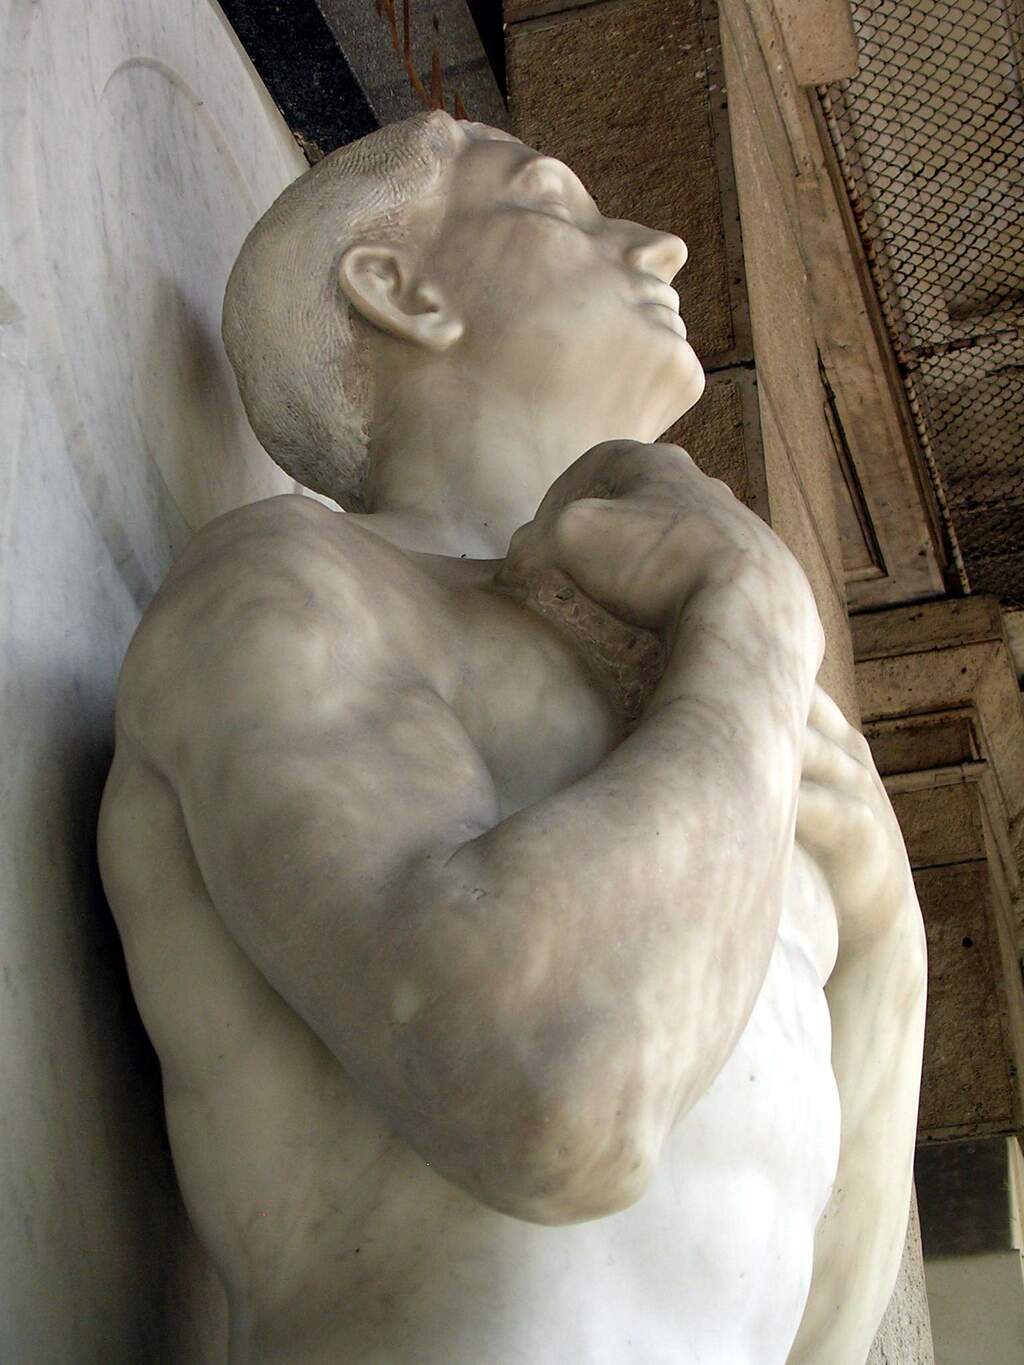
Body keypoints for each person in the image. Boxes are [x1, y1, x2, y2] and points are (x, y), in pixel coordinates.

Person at [99, 112, 926, 1364]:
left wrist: (888, 947)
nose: (658, 245)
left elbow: (813, 1320)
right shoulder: (291, 586)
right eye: (550, 202)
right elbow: (549, 1103)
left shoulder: (734, 695)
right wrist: (754, 630)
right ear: (398, 288)